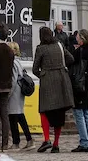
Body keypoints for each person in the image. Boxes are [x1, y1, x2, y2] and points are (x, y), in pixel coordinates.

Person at [32, 24, 74, 153]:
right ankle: (56, 144)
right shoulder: (60, 45)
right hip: (61, 80)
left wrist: (43, 75)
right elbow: (71, 58)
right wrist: (61, 67)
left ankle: (46, 139)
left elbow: (34, 69)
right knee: (59, 113)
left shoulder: (41, 48)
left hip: (47, 81)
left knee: (44, 110)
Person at [70, 29, 88, 153]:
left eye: (78, 37)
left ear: (82, 38)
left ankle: (84, 142)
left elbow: (70, 62)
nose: (76, 38)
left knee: (79, 113)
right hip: (87, 83)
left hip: (79, 84)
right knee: (86, 113)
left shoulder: (80, 51)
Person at [8, 41, 35, 150]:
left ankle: (17, 141)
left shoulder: (13, 62)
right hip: (19, 91)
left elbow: (13, 79)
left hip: (15, 92)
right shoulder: (18, 62)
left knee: (14, 117)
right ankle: (27, 139)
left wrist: (8, 94)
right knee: (18, 116)